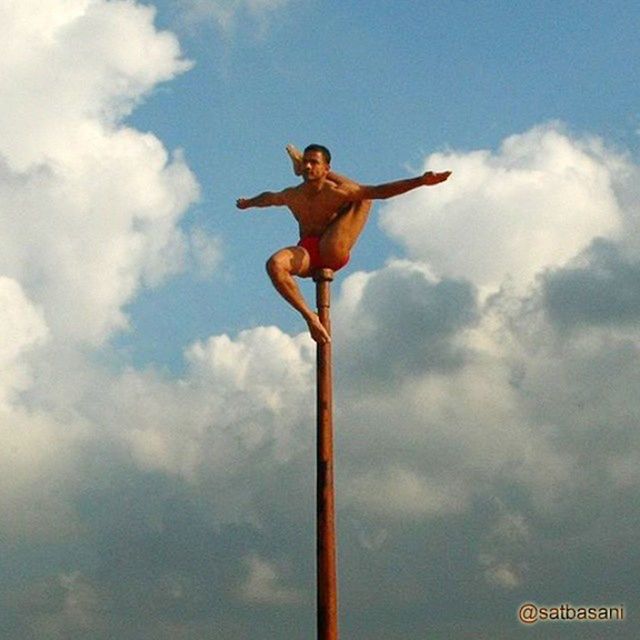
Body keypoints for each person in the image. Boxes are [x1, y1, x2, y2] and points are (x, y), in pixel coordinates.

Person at [236, 144, 451, 344]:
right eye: (306, 163)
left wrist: (420, 181)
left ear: (326, 168)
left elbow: (379, 191)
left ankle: (312, 166)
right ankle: (311, 318)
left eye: (313, 163)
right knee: (274, 264)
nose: (309, 166)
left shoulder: (336, 192)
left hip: (333, 249)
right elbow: (270, 198)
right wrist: (249, 203)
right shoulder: (294, 195)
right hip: (308, 252)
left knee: (362, 197)